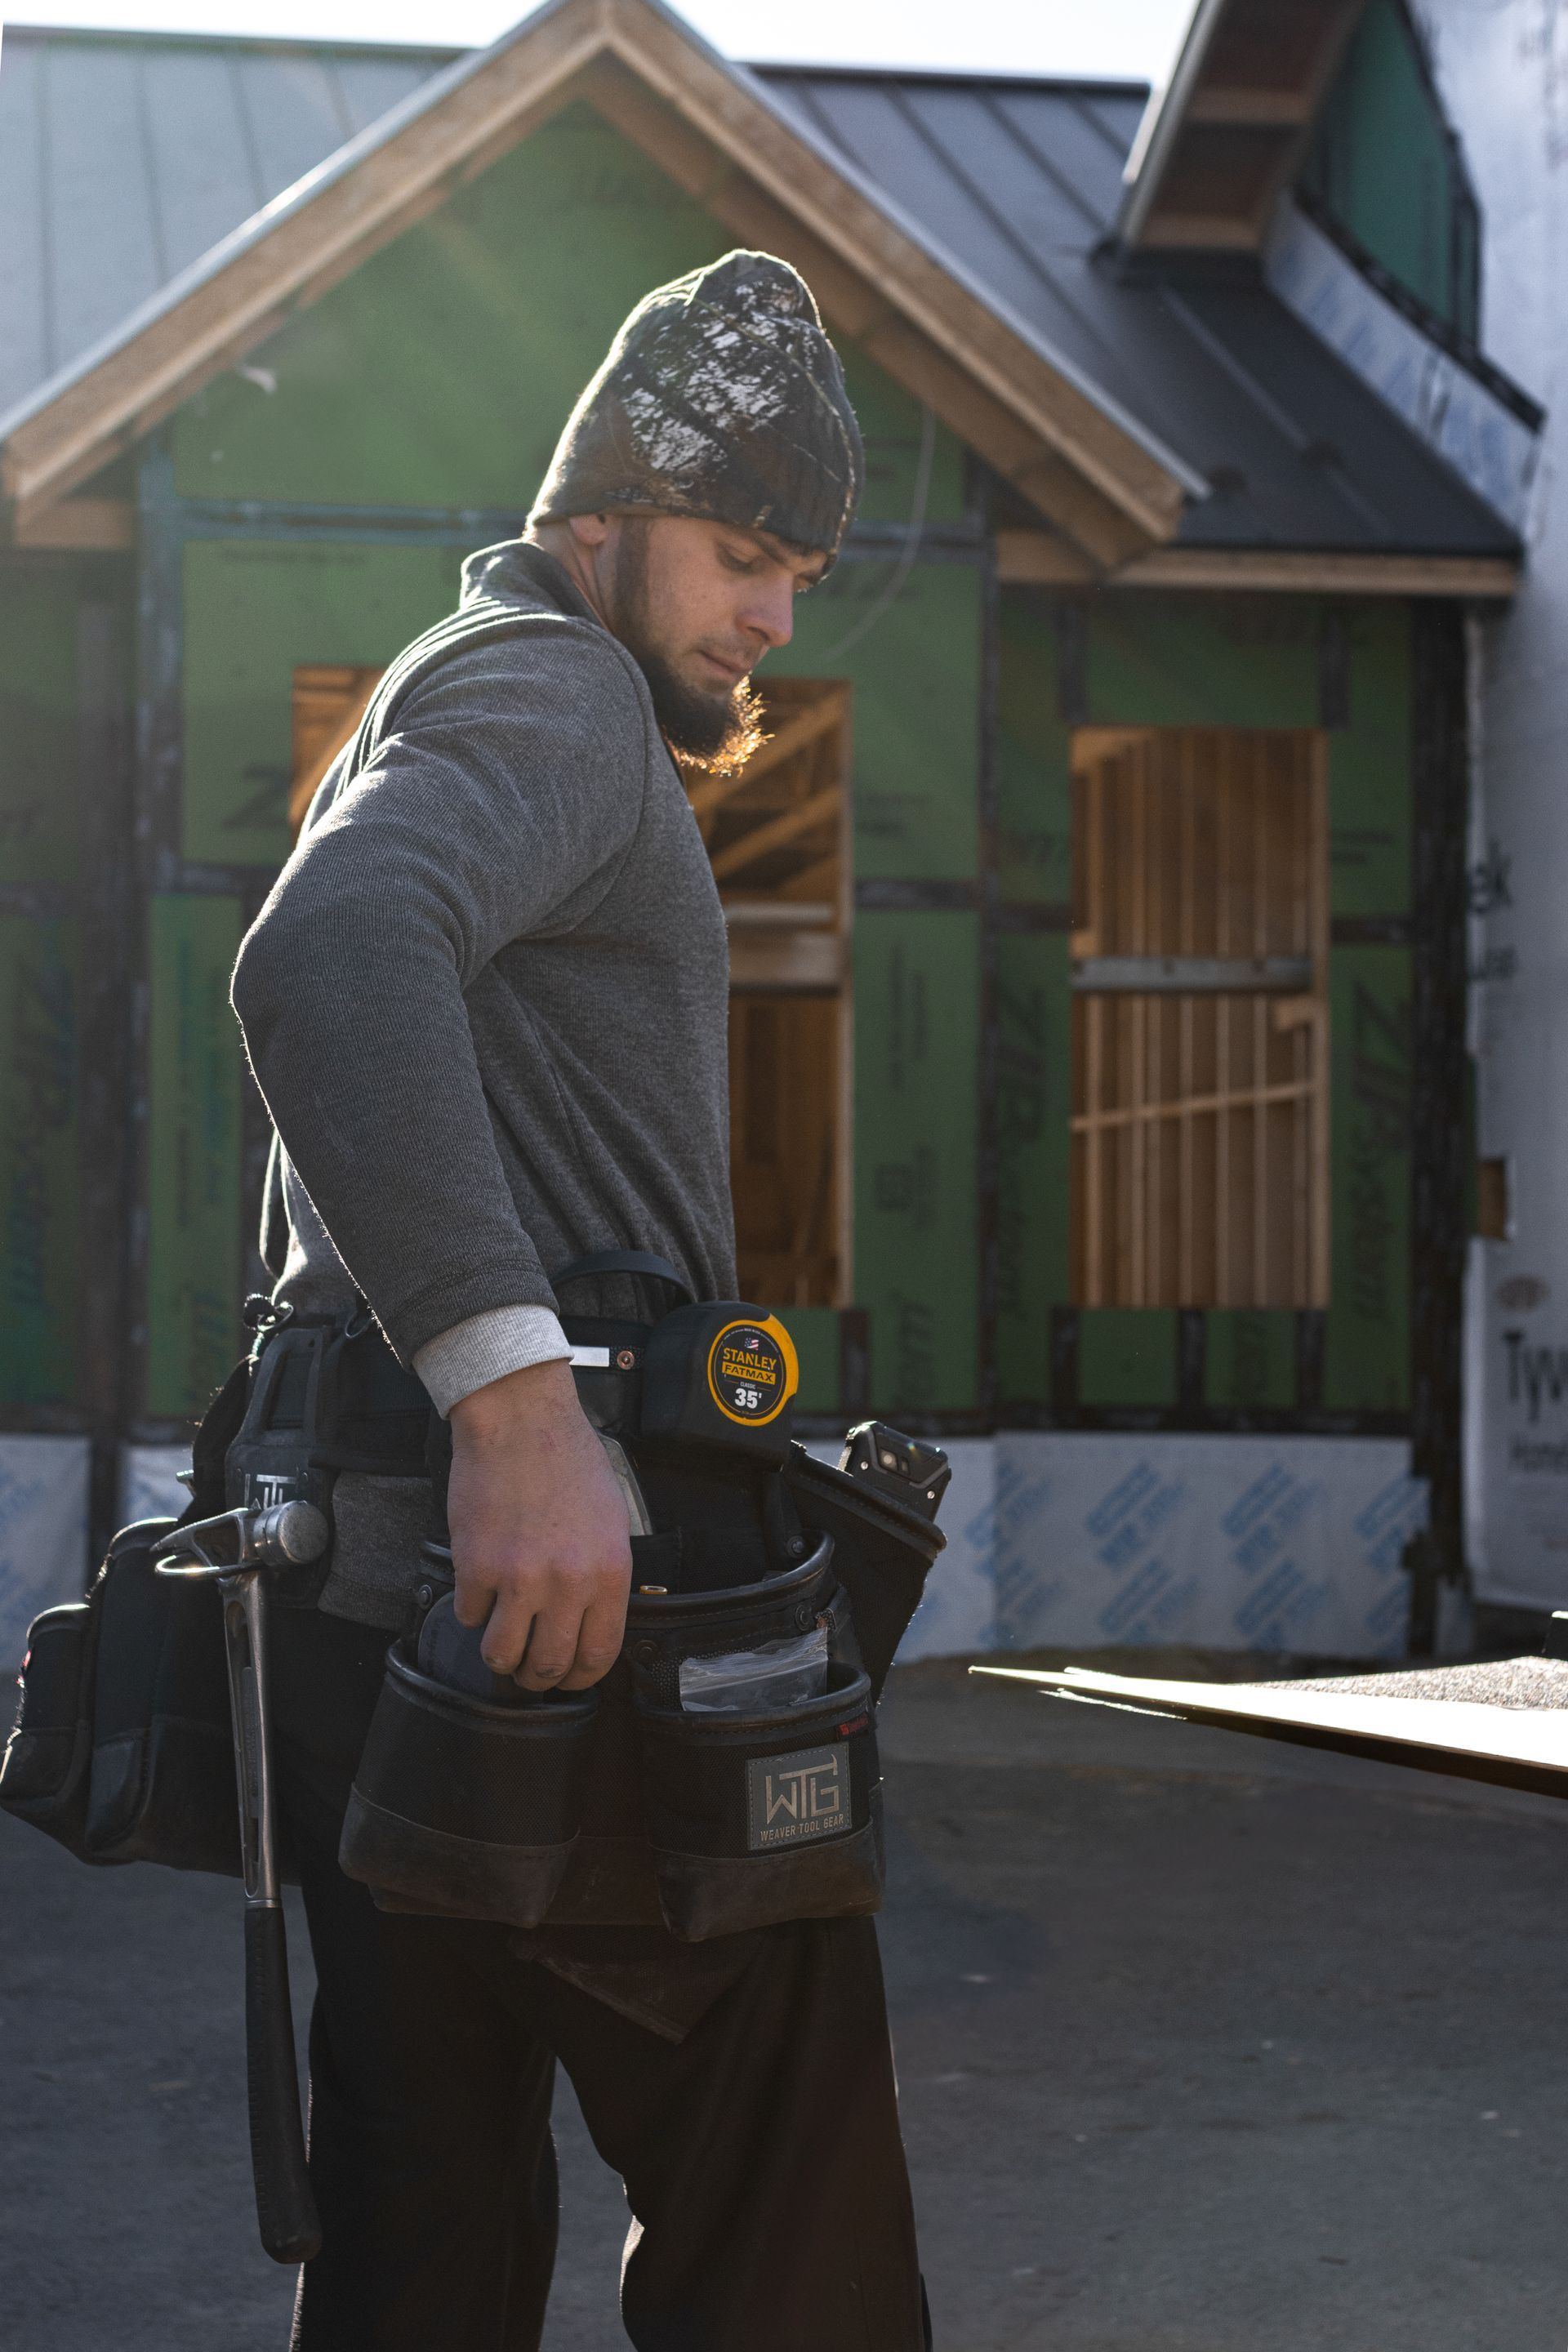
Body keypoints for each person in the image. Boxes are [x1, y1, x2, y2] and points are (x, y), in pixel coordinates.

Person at [230, 249, 931, 2350]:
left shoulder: (470, 688)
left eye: (799, 571)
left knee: (422, 2260)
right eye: (740, 555)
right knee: (794, 2262)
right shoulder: (554, 690)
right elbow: (325, 960)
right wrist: (521, 1410)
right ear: (599, 516)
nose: (774, 622)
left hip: (410, 1616)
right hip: (577, 1618)